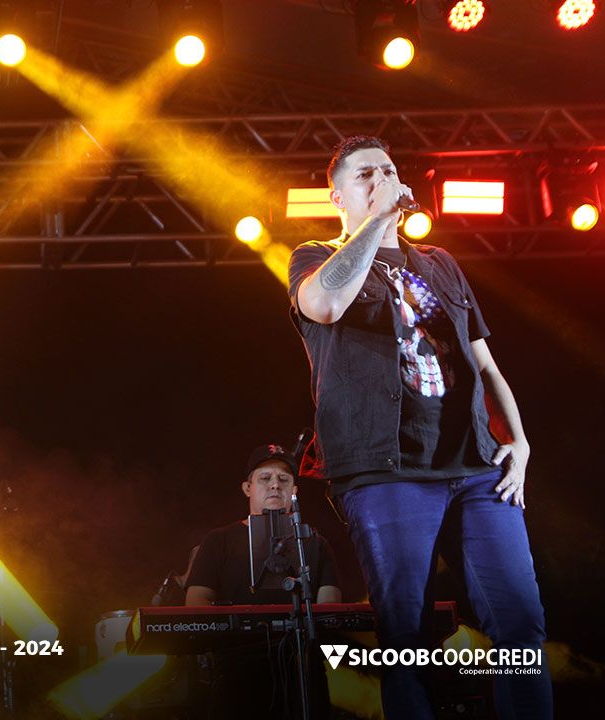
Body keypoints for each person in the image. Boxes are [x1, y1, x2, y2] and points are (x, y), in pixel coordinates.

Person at [287, 135, 551, 719]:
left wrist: (520, 442)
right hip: (386, 470)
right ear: (337, 197)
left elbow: (484, 364)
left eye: (387, 170)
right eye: (364, 175)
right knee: (405, 633)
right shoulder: (313, 257)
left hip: (474, 465)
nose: (380, 179)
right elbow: (325, 306)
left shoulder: (439, 263)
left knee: (521, 622)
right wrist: (376, 223)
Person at [185, 444, 341, 720]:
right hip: (237, 669)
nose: (275, 485)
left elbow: (330, 609)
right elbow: (196, 602)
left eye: (283, 480)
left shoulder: (315, 543)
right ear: (247, 488)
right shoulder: (219, 540)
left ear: (294, 490)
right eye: (265, 478)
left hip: (303, 670)